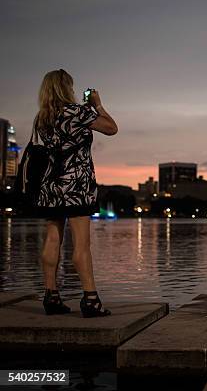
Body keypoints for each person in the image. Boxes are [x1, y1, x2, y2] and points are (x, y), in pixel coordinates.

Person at [34, 69, 118, 317]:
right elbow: (112, 129)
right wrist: (98, 105)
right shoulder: (77, 112)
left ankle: (51, 296)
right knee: (81, 244)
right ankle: (91, 300)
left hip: (50, 186)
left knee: (52, 238)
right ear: (66, 88)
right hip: (76, 187)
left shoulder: (43, 117)